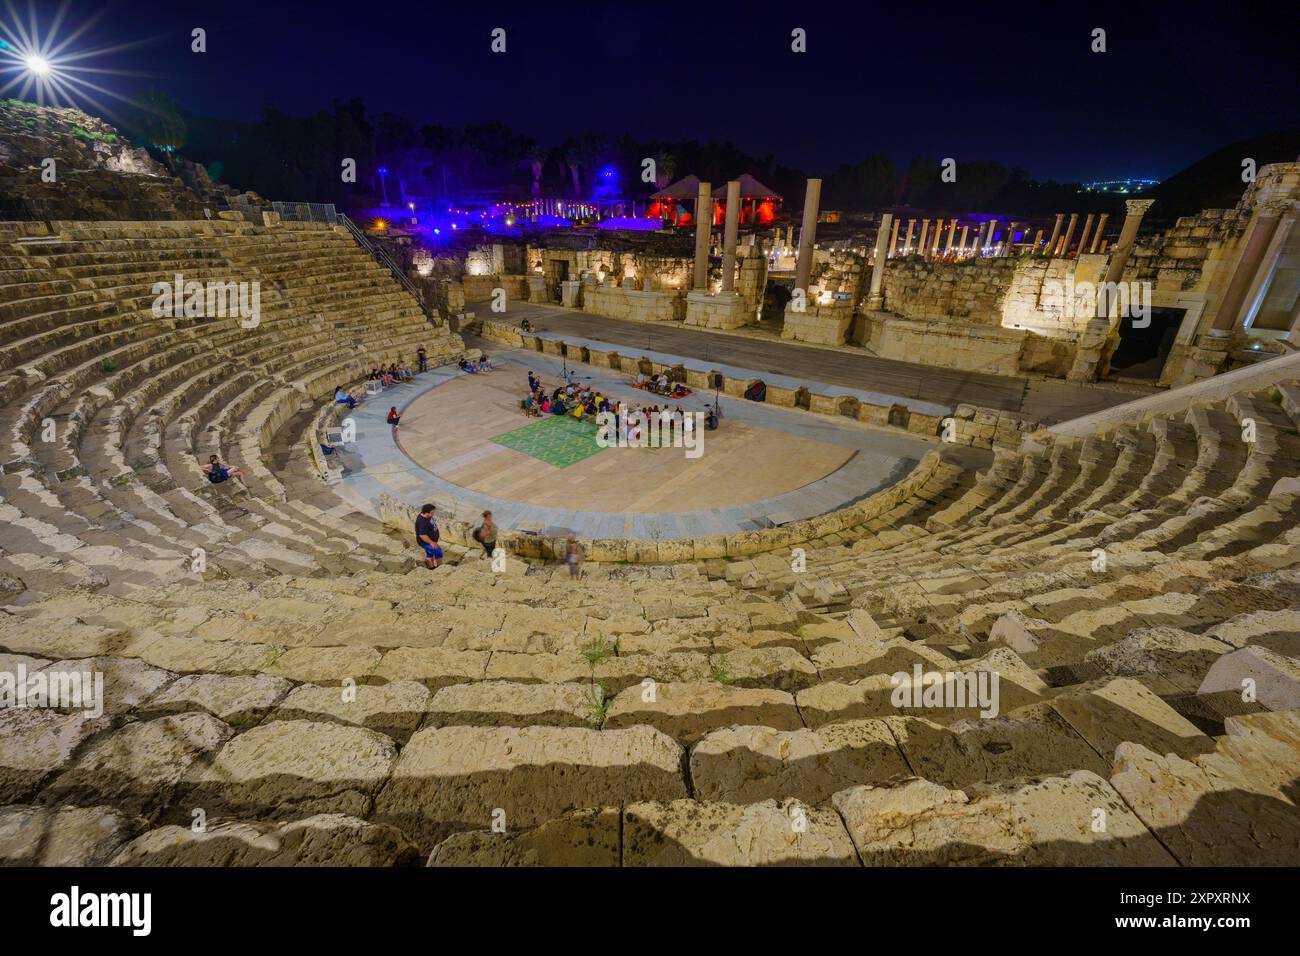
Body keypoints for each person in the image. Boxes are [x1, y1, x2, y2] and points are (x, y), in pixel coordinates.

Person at [415, 503, 442, 569]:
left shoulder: (427, 516)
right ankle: (440, 568)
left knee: (430, 553)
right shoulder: (422, 522)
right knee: (438, 551)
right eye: (432, 512)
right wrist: (431, 542)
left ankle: (431, 567)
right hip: (425, 542)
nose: (433, 514)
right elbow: (422, 535)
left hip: (431, 540)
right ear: (426, 512)